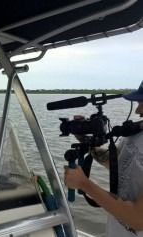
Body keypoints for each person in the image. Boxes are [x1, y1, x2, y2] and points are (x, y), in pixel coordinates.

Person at [64, 81, 143, 236]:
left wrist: (84, 184)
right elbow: (116, 163)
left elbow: (137, 219)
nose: (138, 110)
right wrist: (85, 141)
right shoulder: (136, 134)